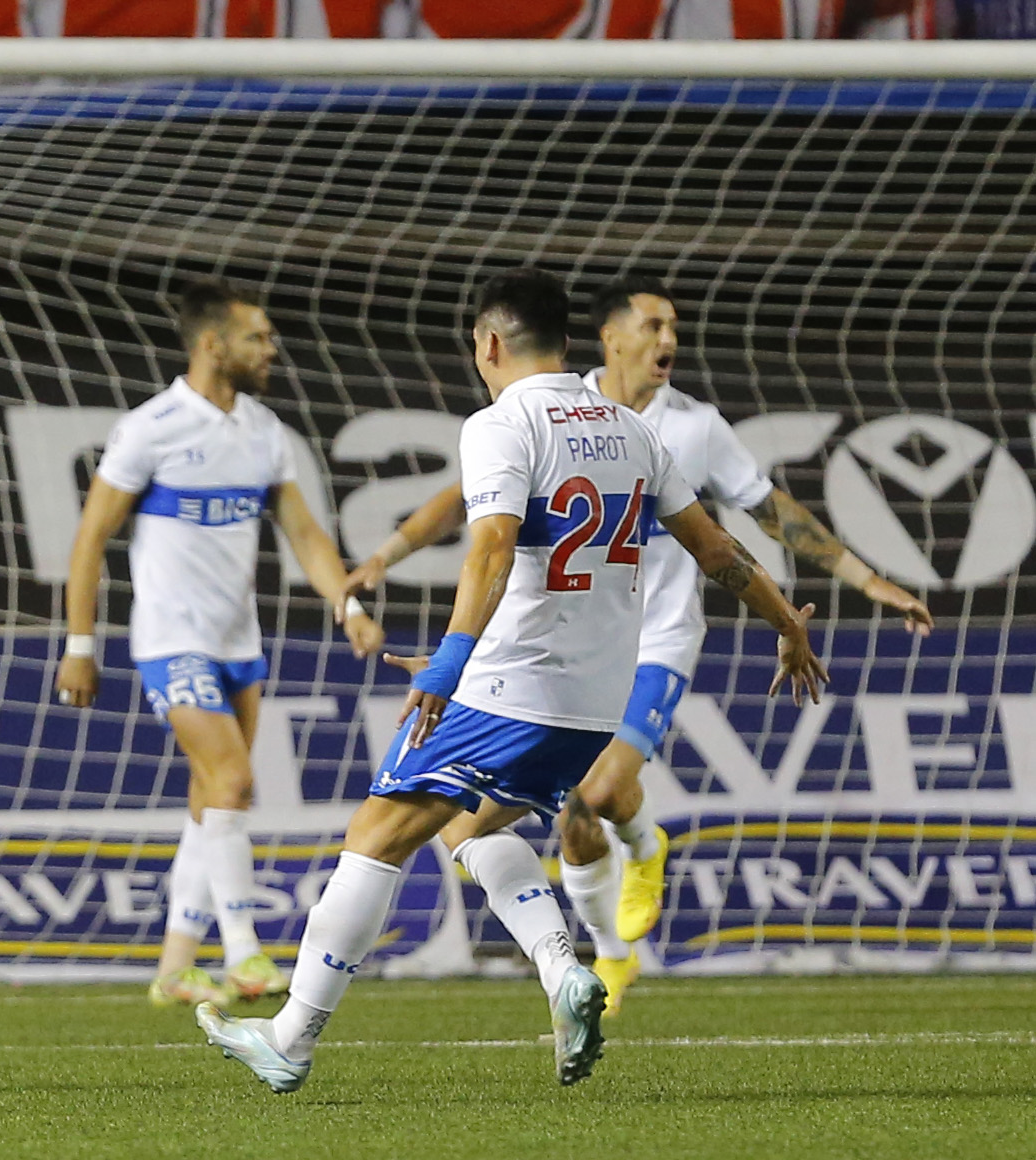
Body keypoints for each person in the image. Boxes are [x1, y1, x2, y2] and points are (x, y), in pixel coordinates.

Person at [198, 267, 827, 1092]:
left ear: (489, 343)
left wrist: (454, 660)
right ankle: (562, 971)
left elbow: (491, 545)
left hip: (510, 689)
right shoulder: (634, 431)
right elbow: (719, 551)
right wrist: (788, 624)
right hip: (595, 704)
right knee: (467, 830)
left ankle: (291, 1038)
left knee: (373, 835)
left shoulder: (500, 424)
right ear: (569, 344)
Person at [343, 273, 932, 1014]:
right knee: (545, 820)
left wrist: (865, 581)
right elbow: (463, 498)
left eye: (673, 328)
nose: (668, 340)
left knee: (593, 794)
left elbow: (763, 515)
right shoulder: (555, 405)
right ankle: (612, 952)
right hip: (562, 651)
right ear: (608, 337)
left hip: (655, 640)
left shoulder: (692, 425)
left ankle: (634, 862)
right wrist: (383, 558)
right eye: (652, 325)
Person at [55, 278, 385, 1007]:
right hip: (172, 640)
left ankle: (175, 967)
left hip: (239, 641)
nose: (270, 349)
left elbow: (303, 533)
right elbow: (89, 539)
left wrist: (347, 603)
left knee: (213, 800)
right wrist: (80, 643)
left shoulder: (264, 431)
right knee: (232, 780)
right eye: (256, 337)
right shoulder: (150, 428)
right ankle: (243, 955)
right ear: (212, 344)